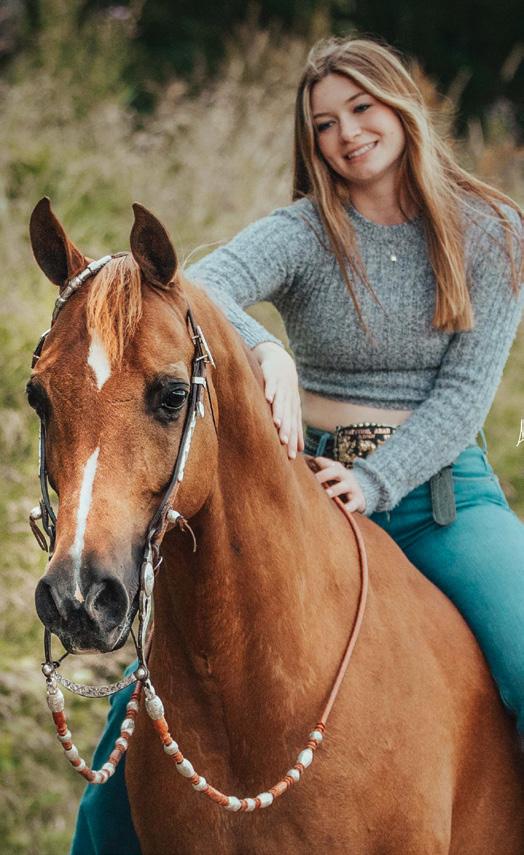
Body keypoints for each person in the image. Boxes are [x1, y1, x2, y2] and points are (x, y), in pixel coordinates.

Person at [71, 35, 523, 854]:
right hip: (304, 487)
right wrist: (267, 348)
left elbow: (463, 396)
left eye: (362, 107)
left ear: (402, 104)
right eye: (324, 123)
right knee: (137, 717)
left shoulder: (491, 231)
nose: (348, 133)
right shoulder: (308, 231)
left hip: (443, 497)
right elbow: (197, 290)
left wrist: (376, 480)